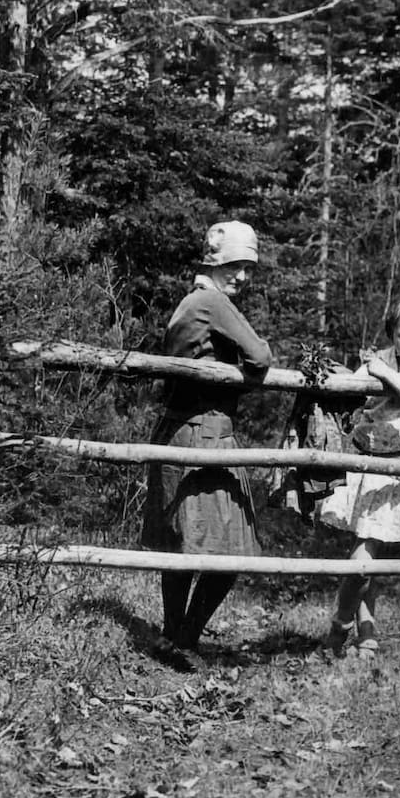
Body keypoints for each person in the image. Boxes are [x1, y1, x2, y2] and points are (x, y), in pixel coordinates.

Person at [142, 220, 274, 666]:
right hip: (206, 433)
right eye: (234, 265)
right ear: (214, 265)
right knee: (229, 550)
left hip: (182, 428)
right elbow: (261, 356)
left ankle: (173, 636)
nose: (242, 276)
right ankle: (183, 639)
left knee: (186, 544)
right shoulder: (209, 301)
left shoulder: (190, 301)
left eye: (247, 267)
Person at [315, 296, 400, 659]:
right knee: (367, 553)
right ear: (391, 333)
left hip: (397, 466)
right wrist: (344, 373)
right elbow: (356, 389)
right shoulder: (384, 359)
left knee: (365, 553)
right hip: (365, 461)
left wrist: (384, 374)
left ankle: (338, 629)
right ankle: (366, 633)